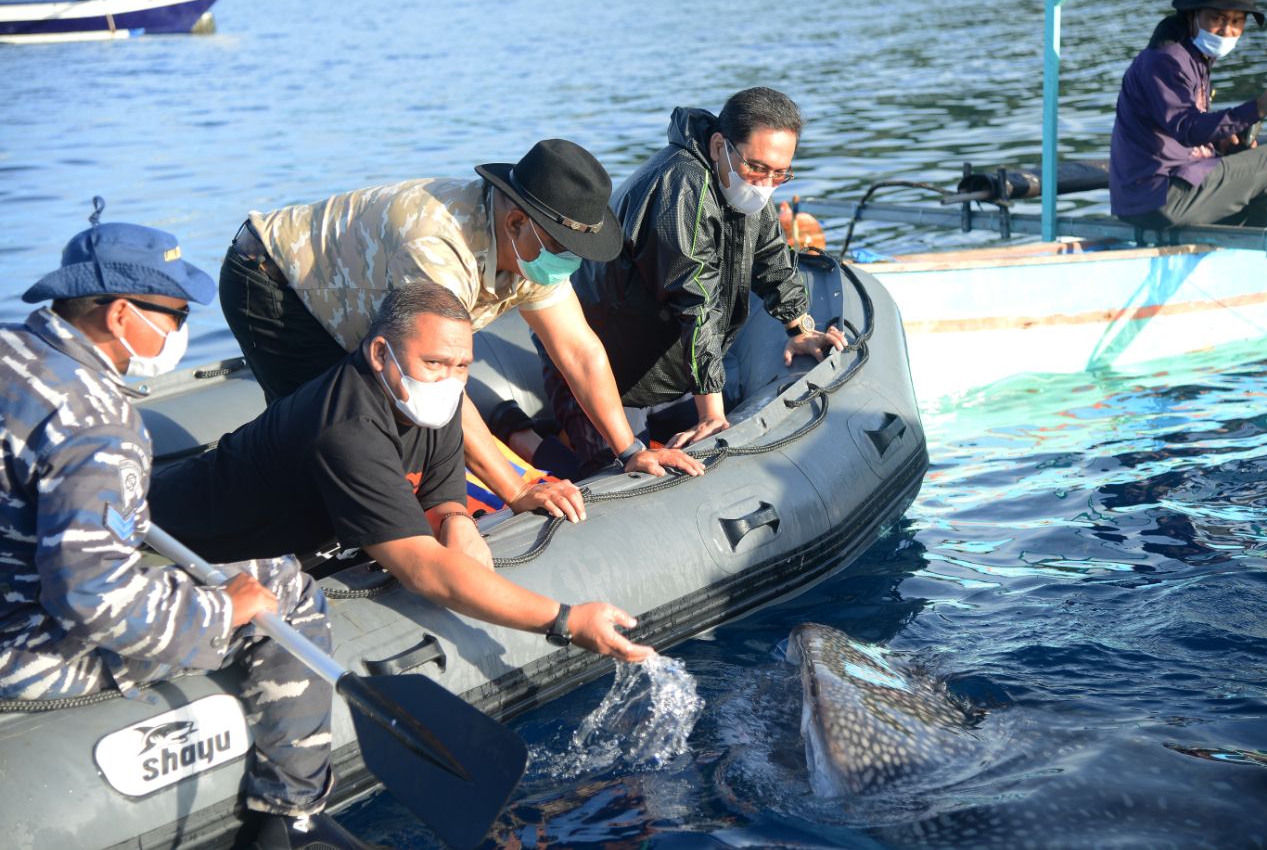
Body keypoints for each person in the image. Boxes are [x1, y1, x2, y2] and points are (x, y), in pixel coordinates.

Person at [0, 203, 359, 849]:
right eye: (176, 316)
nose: (183, 330)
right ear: (119, 315)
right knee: (284, 586)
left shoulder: (14, 356)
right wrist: (222, 612)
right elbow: (91, 598)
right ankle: (290, 812)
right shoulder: (95, 422)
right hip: (29, 653)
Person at [150, 281, 655, 664]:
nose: (452, 378)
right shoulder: (347, 426)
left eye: (463, 366)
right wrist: (565, 620)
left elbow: (440, 489)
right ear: (379, 353)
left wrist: (455, 517)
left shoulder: (431, 401)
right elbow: (422, 569)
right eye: (436, 362)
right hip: (165, 546)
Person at [219, 139, 703, 526]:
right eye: (565, 247)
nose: (570, 261)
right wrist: (515, 488)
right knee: (329, 427)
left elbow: (578, 350)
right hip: (279, 281)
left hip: (361, 297)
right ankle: (283, 534)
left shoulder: (532, 249)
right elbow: (440, 384)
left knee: (391, 418)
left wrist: (630, 450)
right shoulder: (437, 250)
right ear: (517, 221)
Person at [544, 88, 848, 475]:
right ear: (720, 145)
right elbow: (695, 300)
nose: (767, 183)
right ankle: (534, 441)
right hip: (609, 371)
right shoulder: (681, 188)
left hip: (665, 368)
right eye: (758, 168)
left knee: (731, 394)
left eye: (780, 173)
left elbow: (770, 253)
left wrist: (799, 326)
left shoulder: (745, 179)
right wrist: (712, 414)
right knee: (611, 472)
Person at [1110, 0, 1267, 229]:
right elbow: (1187, 127)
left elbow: (1180, 126)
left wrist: (1219, 142)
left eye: (1237, 21)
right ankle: (1260, 252)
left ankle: (1249, 249)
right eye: (1217, 19)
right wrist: (1259, 108)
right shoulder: (1167, 60)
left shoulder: (1193, 57)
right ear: (1192, 15)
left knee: (1255, 169)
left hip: (1158, 196)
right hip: (1159, 197)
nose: (1227, 31)